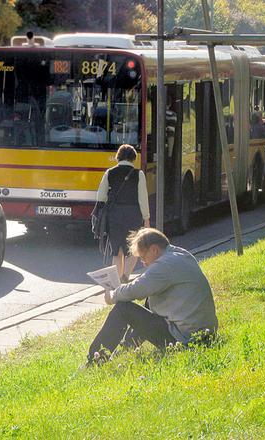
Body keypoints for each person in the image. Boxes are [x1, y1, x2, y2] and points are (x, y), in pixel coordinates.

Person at [86, 228, 218, 366]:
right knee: (151, 300)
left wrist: (112, 295)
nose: (143, 263)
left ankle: (95, 360)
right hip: (206, 334)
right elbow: (144, 286)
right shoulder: (180, 254)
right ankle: (128, 347)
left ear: (154, 249)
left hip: (187, 340)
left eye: (143, 257)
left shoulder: (163, 266)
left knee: (123, 309)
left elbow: (135, 290)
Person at [94, 144, 150, 283]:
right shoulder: (139, 174)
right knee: (132, 249)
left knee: (117, 251)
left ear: (118, 157)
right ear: (133, 158)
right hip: (133, 215)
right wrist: (146, 218)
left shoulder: (110, 173)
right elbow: (143, 198)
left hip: (114, 215)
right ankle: (126, 275)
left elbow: (100, 196)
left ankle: (117, 283)